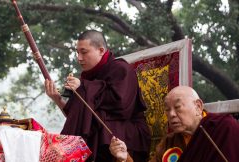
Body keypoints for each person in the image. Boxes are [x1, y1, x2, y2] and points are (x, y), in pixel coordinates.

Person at [45, 30, 151, 162]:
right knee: (92, 126)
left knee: (95, 126)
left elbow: (122, 106)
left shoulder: (120, 69)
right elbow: (79, 118)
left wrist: (85, 87)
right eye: (77, 52)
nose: (79, 58)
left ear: (101, 50)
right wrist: (57, 99)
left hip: (130, 132)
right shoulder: (88, 78)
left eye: (84, 52)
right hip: (106, 131)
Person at [109, 86, 239, 162]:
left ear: (198, 106)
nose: (171, 114)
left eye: (177, 107)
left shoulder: (225, 128)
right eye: (167, 110)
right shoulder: (168, 144)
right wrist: (125, 158)